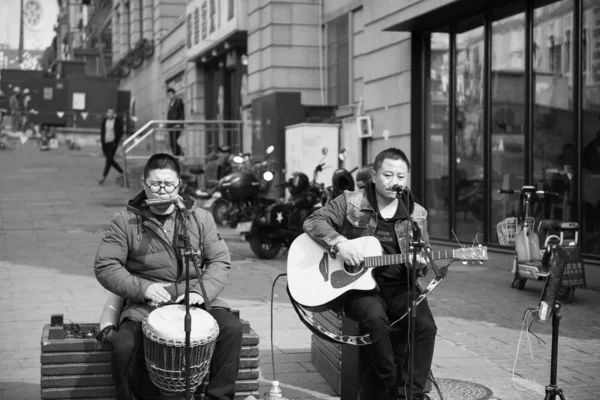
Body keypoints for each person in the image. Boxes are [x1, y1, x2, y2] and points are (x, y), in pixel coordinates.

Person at [94, 153, 243, 400]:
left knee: (231, 329)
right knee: (124, 347)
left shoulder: (200, 217)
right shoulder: (125, 221)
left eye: (169, 185)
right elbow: (105, 265)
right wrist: (143, 289)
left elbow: (219, 260)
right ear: (144, 184)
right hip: (145, 303)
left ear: (179, 186)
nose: (162, 191)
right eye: (155, 184)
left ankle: (219, 397)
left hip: (196, 297)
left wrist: (198, 292)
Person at [303, 148, 436, 400]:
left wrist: (420, 263)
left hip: (400, 286)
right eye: (388, 174)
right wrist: (340, 243)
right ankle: (390, 380)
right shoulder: (351, 201)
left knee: (425, 325)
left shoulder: (416, 213)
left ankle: (411, 394)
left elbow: (425, 255)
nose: (394, 182)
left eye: (401, 176)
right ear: (374, 176)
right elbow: (313, 221)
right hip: (358, 286)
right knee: (375, 319)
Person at [99, 108, 124, 185]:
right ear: (107, 113)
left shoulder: (117, 121)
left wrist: (116, 141)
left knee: (109, 160)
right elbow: (102, 132)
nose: (110, 114)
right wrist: (102, 141)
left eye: (111, 112)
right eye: (108, 112)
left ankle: (103, 177)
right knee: (110, 160)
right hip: (105, 143)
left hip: (112, 144)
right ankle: (122, 172)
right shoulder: (104, 121)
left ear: (114, 114)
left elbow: (120, 131)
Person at [167, 87, 185, 156]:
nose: (169, 96)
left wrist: (180, 124)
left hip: (177, 125)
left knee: (173, 141)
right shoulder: (170, 104)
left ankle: (180, 154)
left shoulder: (178, 101)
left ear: (174, 94)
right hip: (171, 126)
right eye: (168, 95)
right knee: (171, 142)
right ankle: (176, 156)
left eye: (171, 94)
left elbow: (182, 113)